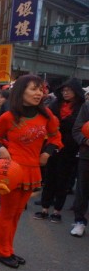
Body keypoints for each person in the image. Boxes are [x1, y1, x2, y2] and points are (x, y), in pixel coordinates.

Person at [0, 74, 62, 267]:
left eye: (41, 89)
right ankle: (1, 251)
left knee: (17, 213)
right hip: (11, 171)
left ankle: (7, 249)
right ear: (21, 92)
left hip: (32, 170)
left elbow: (56, 139)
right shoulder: (8, 117)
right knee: (7, 212)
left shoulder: (47, 116)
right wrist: (1, 148)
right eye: (33, 89)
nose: (39, 93)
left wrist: (47, 153)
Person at [34, 79, 84, 223]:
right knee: (49, 178)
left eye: (69, 90)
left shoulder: (81, 107)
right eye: (64, 90)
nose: (66, 92)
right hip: (52, 146)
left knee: (63, 180)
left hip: (70, 148)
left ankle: (57, 211)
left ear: (76, 92)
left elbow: (79, 127)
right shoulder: (55, 104)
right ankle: (44, 208)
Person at [70, 84, 89, 237]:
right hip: (86, 155)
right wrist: (86, 140)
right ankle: (80, 221)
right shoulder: (87, 106)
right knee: (82, 189)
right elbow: (77, 129)